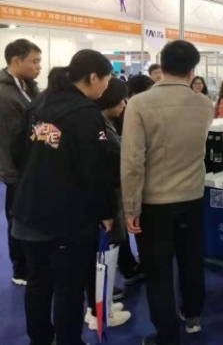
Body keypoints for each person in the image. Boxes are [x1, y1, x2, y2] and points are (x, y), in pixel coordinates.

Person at [10, 49, 114, 345]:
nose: (106, 87)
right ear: (92, 77)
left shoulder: (41, 101)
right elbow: (95, 169)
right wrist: (106, 211)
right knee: (69, 287)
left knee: (38, 282)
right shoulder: (86, 114)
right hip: (66, 217)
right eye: (106, 80)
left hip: (28, 209)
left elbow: (18, 147)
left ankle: (40, 339)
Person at [121, 40, 213, 345]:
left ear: (161, 65)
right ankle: (193, 316)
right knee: (192, 260)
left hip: (154, 201)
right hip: (192, 196)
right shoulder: (204, 104)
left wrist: (130, 208)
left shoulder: (139, 103)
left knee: (158, 270)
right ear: (192, 70)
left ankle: (167, 334)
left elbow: (133, 161)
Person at [84, 77, 132, 330]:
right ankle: (101, 314)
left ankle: (100, 307)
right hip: (105, 203)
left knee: (104, 257)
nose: (124, 104)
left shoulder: (101, 122)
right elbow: (110, 161)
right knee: (105, 257)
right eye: (121, 99)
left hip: (103, 201)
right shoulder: (98, 125)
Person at [0, 39, 41, 286]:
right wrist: (56, 136)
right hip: (17, 170)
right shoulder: (5, 95)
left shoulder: (27, 86)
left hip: (30, 167)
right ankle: (20, 269)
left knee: (28, 219)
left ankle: (30, 264)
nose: (38, 66)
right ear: (16, 60)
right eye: (34, 61)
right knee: (17, 221)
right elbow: (18, 138)